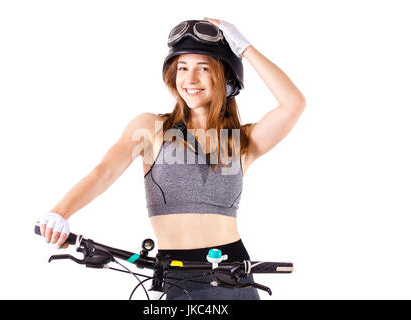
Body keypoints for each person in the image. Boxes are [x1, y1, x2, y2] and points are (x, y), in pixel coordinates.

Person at [37, 18, 306, 300]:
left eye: (203, 68)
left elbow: (294, 103)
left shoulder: (241, 141)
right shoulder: (150, 128)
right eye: (182, 68)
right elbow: (103, 172)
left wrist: (244, 48)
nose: (190, 79)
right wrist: (60, 212)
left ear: (226, 78)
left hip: (233, 273)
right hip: (173, 272)